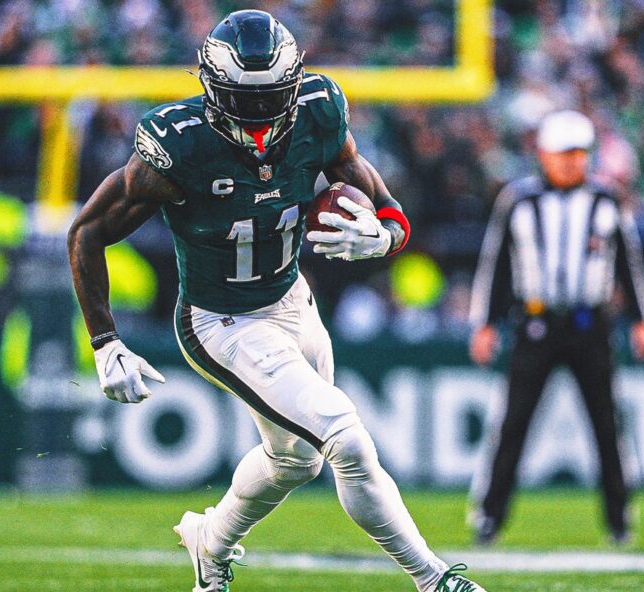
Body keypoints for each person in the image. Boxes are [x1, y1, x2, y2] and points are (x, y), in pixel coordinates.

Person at [68, 10, 487, 592]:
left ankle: (210, 542)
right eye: (246, 100)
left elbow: (372, 188)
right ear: (213, 90)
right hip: (222, 321)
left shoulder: (317, 109)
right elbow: (88, 231)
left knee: (296, 459)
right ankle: (434, 578)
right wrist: (104, 340)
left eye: (272, 98)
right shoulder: (179, 145)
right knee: (345, 438)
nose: (261, 115)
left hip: (293, 299)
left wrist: (386, 235)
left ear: (293, 84)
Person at [468, 110, 644, 547]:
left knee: (607, 424)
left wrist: (642, 319)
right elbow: (495, 265)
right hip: (535, 323)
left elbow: (629, 264)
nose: (571, 162)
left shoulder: (606, 199)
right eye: (563, 153)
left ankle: (619, 517)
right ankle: (489, 514)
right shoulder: (518, 201)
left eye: (578, 153)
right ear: (543, 155)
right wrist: (485, 324)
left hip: (591, 325)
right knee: (512, 423)